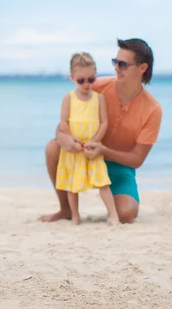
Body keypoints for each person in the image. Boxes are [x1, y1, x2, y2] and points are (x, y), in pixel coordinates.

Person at [40, 38, 162, 224]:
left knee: (126, 214)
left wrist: (103, 151)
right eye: (115, 62)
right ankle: (66, 209)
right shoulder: (96, 87)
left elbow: (137, 159)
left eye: (122, 64)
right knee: (52, 147)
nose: (116, 68)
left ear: (142, 68)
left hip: (118, 166)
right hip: (81, 155)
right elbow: (65, 121)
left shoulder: (153, 110)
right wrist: (63, 137)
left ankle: (110, 197)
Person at [56, 52, 119, 226]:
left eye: (91, 79)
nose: (86, 84)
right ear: (72, 78)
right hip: (75, 148)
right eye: (81, 80)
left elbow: (104, 122)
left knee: (102, 182)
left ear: (95, 75)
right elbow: (63, 122)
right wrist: (73, 140)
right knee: (72, 185)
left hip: (93, 147)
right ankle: (75, 216)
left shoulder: (99, 98)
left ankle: (113, 214)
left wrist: (95, 140)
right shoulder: (69, 98)